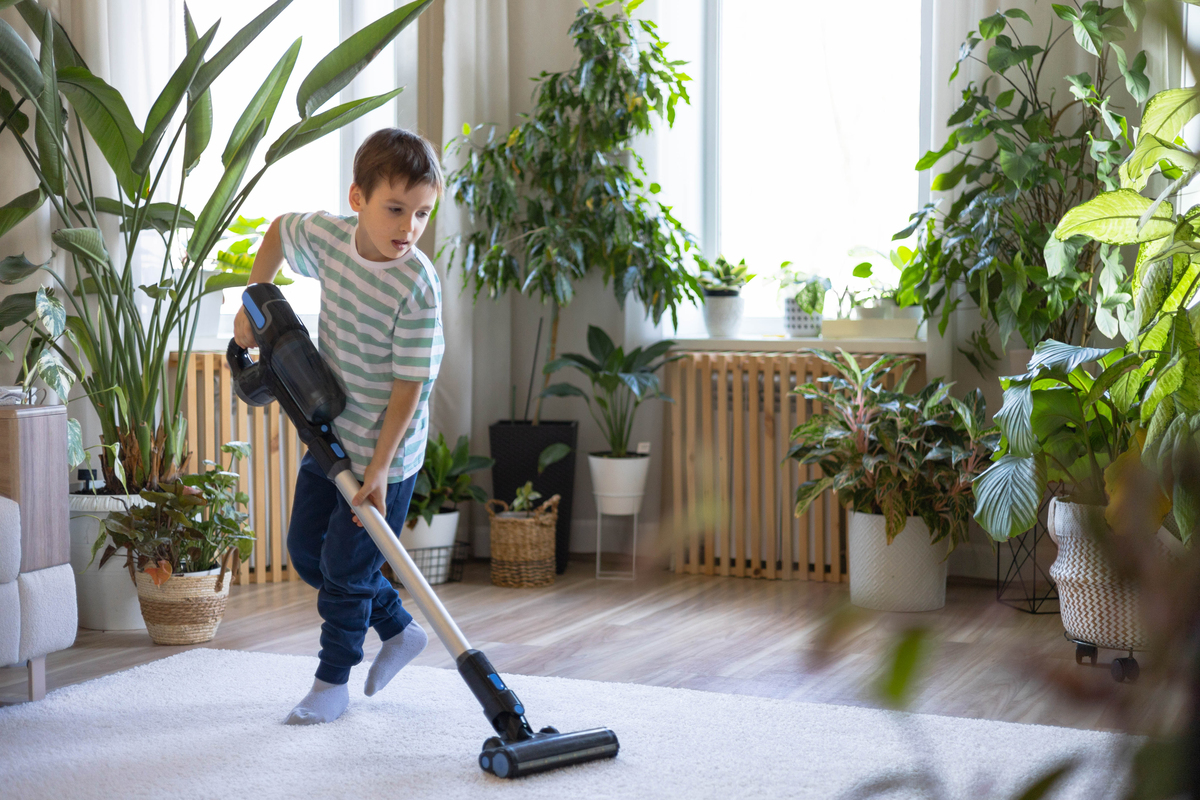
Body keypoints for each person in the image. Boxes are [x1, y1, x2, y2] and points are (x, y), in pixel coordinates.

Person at [233, 128, 444, 725]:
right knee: (307, 554)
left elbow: (411, 386)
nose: (408, 227)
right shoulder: (330, 239)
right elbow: (277, 230)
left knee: (347, 572)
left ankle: (332, 684)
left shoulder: (417, 284)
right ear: (359, 198)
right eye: (395, 208)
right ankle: (400, 630)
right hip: (329, 437)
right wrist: (255, 296)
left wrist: (379, 467)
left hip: (387, 455)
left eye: (422, 213)